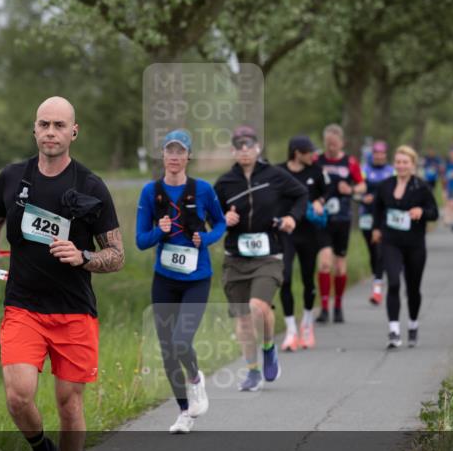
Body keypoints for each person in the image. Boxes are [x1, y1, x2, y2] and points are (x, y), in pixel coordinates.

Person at [0, 96, 124, 451]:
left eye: (60, 125)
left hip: (75, 311)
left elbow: (116, 254)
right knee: (19, 395)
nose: (51, 132)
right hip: (24, 305)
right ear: (34, 129)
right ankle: (43, 450)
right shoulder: (11, 178)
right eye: (44, 124)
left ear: (74, 132)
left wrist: (84, 257)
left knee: (68, 404)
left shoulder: (91, 186)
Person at [136, 129, 226, 434]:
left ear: (189, 156)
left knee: (181, 341)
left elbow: (221, 222)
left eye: (180, 151)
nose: (174, 157)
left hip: (197, 278)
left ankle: (197, 379)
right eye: (169, 151)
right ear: (162, 155)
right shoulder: (151, 192)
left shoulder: (202, 190)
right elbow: (140, 241)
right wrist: (159, 231)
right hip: (164, 280)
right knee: (167, 349)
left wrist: (207, 238)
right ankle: (185, 412)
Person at [214, 125, 307, 391]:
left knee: (258, 307)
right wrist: (222, 219)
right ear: (233, 150)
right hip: (236, 258)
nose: (244, 150)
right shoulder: (224, 183)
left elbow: (301, 194)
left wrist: (292, 218)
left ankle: (268, 347)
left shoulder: (275, 175)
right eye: (239, 146)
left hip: (269, 254)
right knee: (242, 318)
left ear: (257, 148)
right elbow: (210, 214)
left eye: (249, 145)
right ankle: (253, 371)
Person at [371, 145, 439, 349]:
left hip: (414, 244)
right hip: (391, 242)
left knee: (413, 288)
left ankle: (413, 324)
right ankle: (393, 330)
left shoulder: (421, 187)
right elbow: (377, 208)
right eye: (398, 162)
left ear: (412, 165)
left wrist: (421, 211)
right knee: (393, 283)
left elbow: (434, 212)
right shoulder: (385, 185)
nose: (401, 166)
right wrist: (376, 228)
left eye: (405, 162)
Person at [277, 135, 327, 351]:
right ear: (297, 152)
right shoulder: (278, 172)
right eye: (309, 152)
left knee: (308, 279)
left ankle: (307, 323)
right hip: (286, 233)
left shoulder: (315, 171)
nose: (313, 155)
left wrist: (319, 201)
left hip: (309, 232)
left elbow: (326, 191)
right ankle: (290, 330)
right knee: (285, 278)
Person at [315, 123, 365, 324]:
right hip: (322, 219)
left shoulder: (350, 162)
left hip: (342, 218)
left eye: (334, 144)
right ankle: (325, 307)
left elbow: (362, 185)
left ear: (342, 143)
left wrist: (351, 190)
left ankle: (338, 306)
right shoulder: (317, 160)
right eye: (328, 144)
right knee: (325, 262)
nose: (331, 148)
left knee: (339, 264)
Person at [360, 140, 395, 305]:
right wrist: (362, 197)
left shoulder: (391, 171)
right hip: (366, 215)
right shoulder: (365, 170)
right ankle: (377, 276)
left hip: (384, 216)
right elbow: (357, 189)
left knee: (380, 249)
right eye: (376, 153)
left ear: (385, 155)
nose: (379, 156)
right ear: (372, 154)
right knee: (372, 251)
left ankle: (377, 287)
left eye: (382, 153)